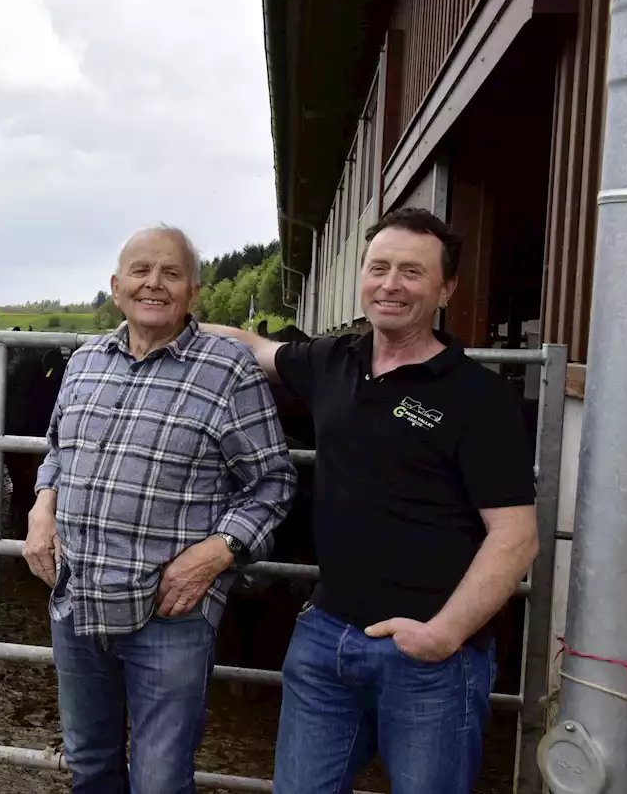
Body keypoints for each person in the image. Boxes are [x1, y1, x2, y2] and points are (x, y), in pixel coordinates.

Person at [204, 207, 539, 793]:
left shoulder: (478, 399)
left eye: (412, 272)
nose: (390, 283)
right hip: (325, 638)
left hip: (431, 657)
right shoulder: (334, 362)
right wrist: (154, 323)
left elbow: (515, 537)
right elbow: (252, 346)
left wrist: (443, 634)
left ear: (446, 289)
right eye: (378, 267)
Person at [23, 224, 298, 794]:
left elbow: (272, 483)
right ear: (116, 285)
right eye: (141, 271)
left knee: (160, 779)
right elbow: (57, 451)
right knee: (90, 763)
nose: (154, 284)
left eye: (171, 273)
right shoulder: (85, 362)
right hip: (78, 599)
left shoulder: (228, 371)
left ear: (193, 291)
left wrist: (217, 553)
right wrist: (42, 506)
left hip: (168, 612)